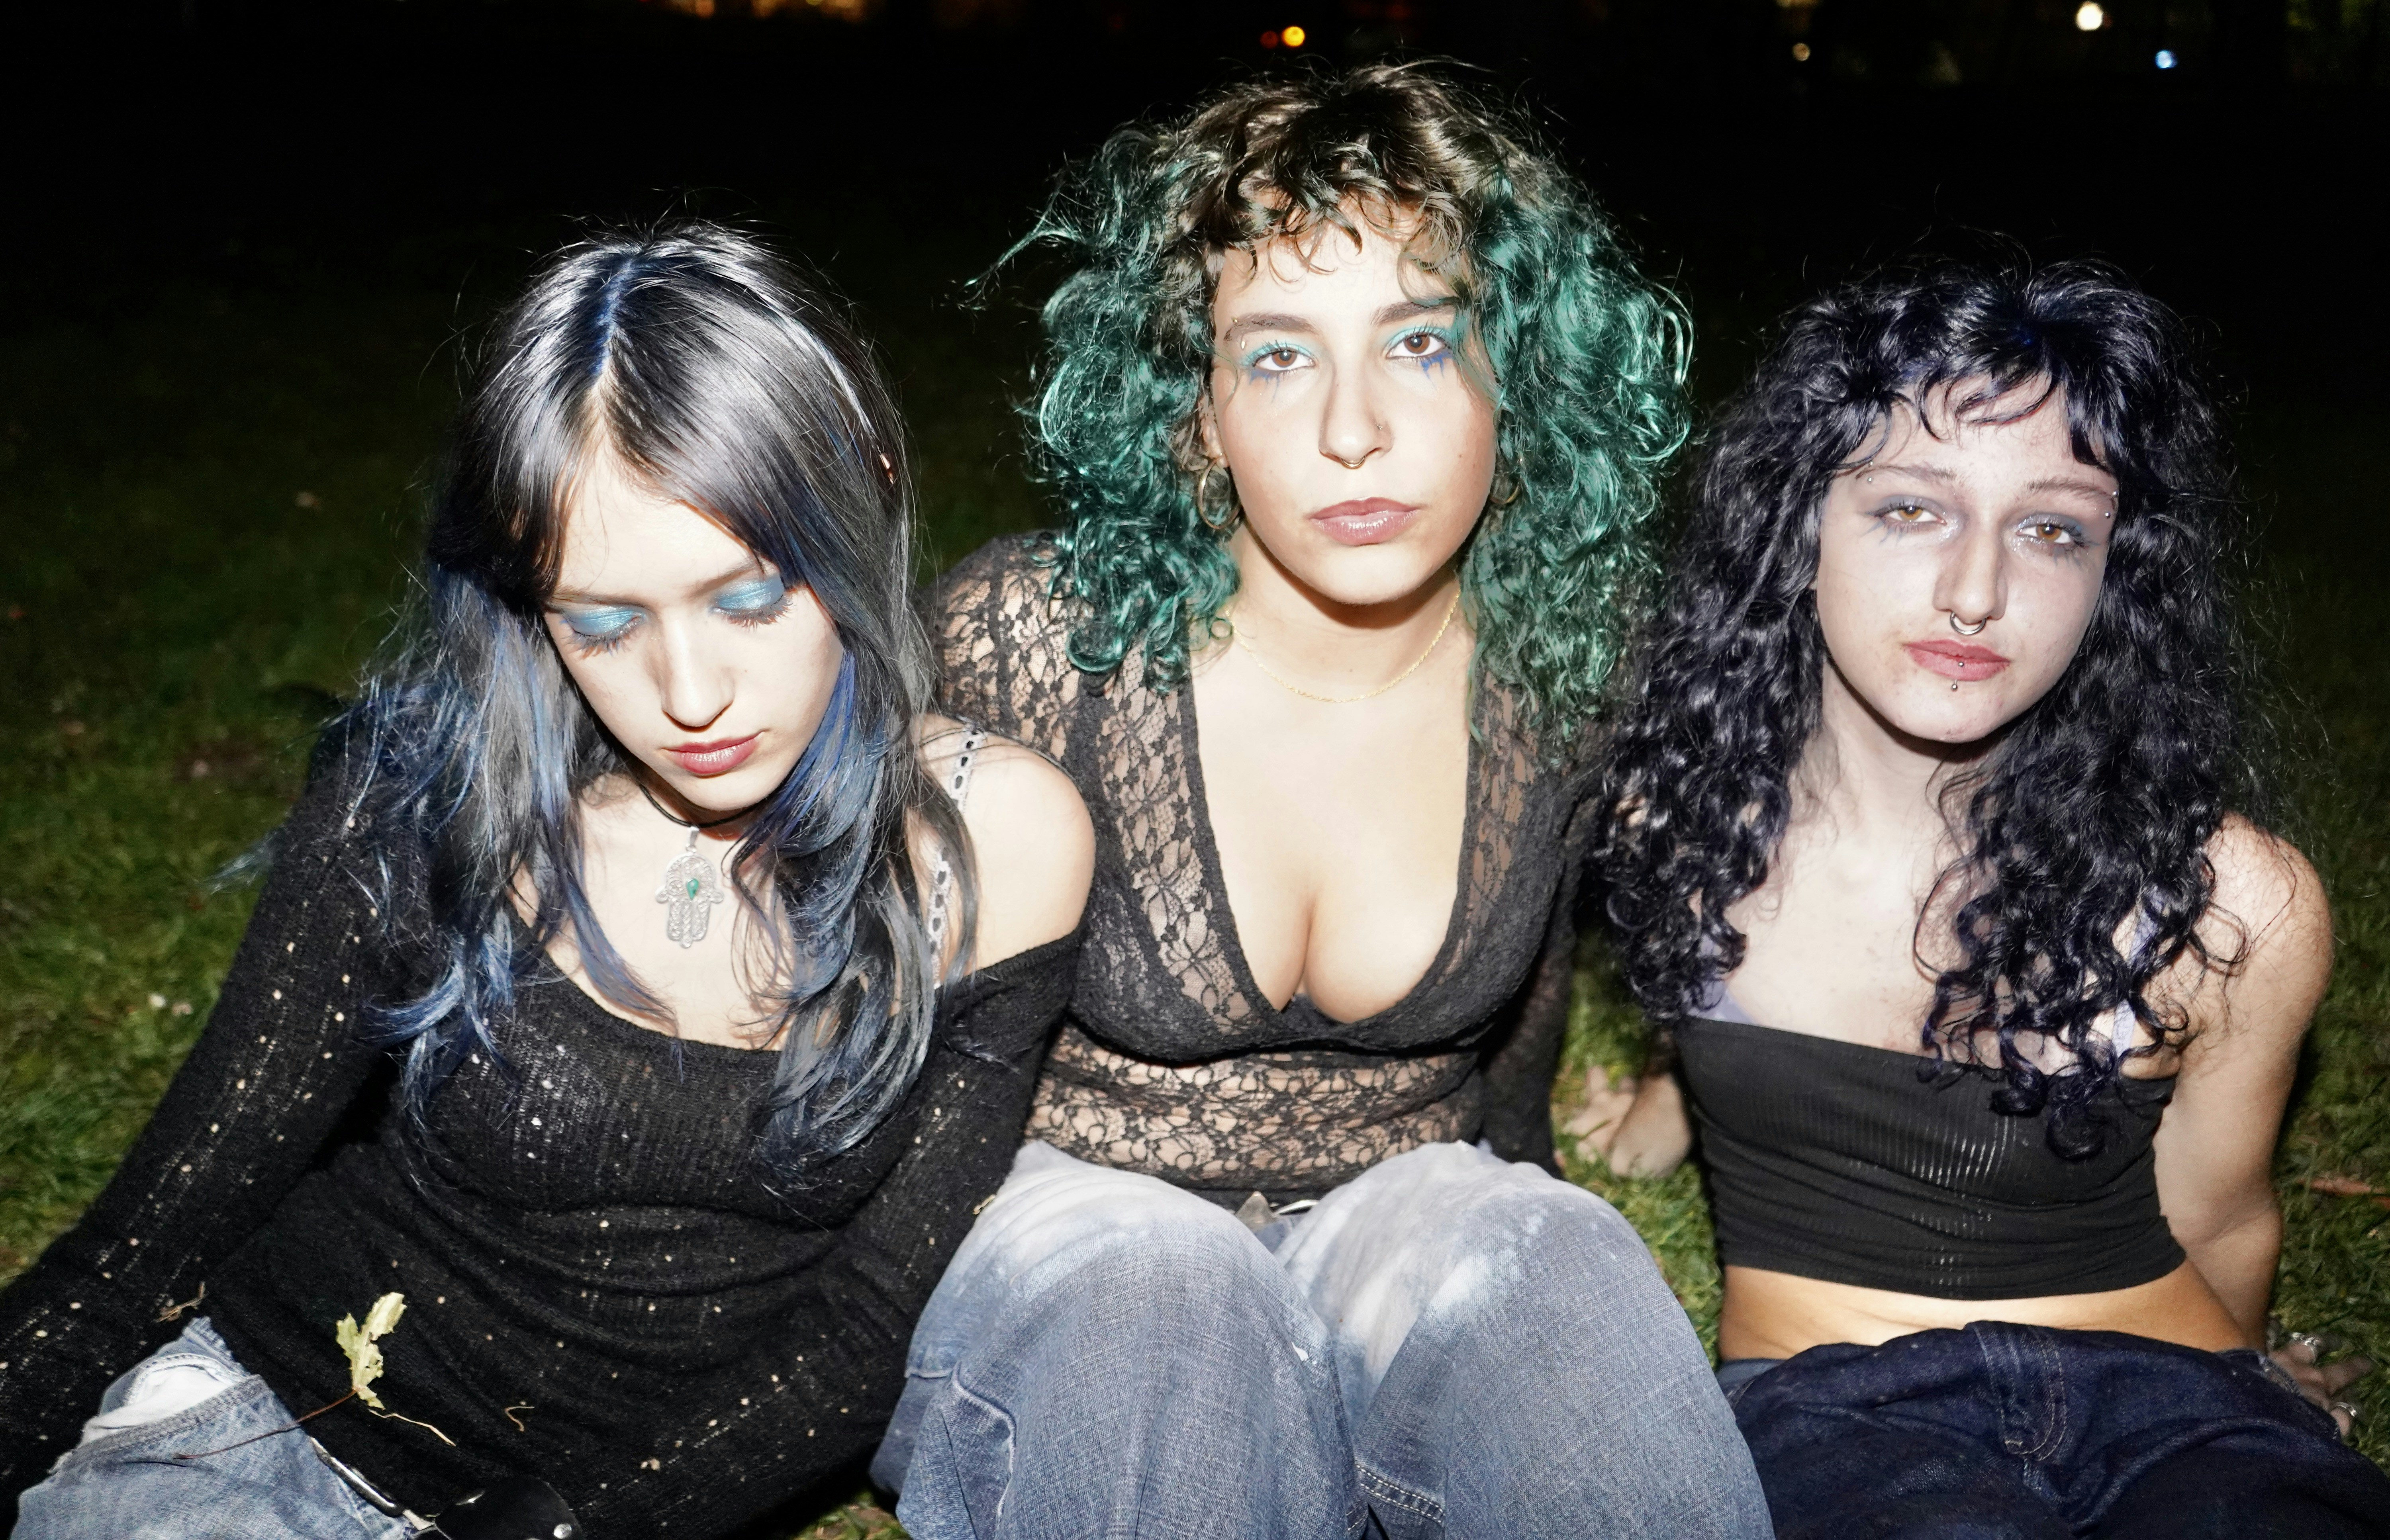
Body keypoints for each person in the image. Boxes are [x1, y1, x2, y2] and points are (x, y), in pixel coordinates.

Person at [0, 223, 1093, 1540]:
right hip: (263, 1441)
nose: (690, 696)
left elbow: (858, 1337)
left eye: (746, 598)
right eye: (606, 622)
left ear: (860, 495)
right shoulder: (422, 800)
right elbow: (141, 1243)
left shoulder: (996, 843)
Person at [870, 65, 1770, 1540]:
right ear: (1196, 411)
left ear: (1516, 376)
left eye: (1421, 341)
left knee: (1554, 1261)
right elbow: (878, 1020)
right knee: (1172, 1299)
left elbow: (1528, 995)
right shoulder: (1036, 639)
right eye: (1278, 356)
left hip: (1393, 1206)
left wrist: (1559, 1179)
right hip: (1083, 1236)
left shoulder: (1565, 667)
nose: (1356, 429)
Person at [1584, 261, 2390, 1536]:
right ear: (1798, 529)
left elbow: (2223, 1213)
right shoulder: (1679, 817)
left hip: (2175, 1399)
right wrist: (1650, 1110)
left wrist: (2250, 1400)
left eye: (2053, 528)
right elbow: (1700, 1013)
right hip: (1839, 1410)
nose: (1976, 590)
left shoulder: (2229, 902)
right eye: (1911, 509)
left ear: (2116, 575)